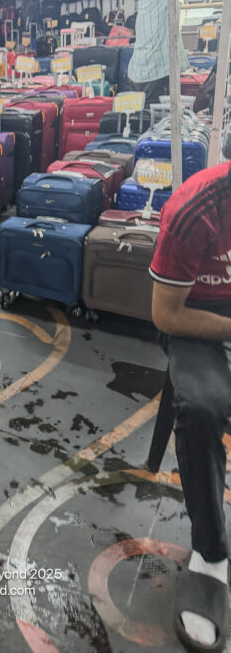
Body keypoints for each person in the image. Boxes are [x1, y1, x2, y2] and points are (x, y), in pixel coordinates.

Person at [151, 158, 231, 651]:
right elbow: (165, 314)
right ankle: (211, 552)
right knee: (202, 408)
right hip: (197, 316)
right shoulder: (194, 211)